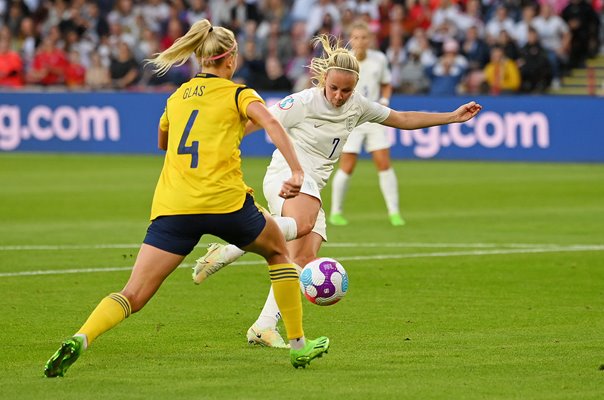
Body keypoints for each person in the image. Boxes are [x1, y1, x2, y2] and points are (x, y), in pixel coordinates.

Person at [43, 19, 329, 378]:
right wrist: (296, 172)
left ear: (200, 59)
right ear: (231, 60)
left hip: (174, 206)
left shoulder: (176, 98)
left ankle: (81, 338)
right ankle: (300, 346)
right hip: (225, 203)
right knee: (278, 253)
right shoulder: (240, 94)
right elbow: (272, 124)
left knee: (133, 294)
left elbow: (163, 142)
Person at [192, 33, 483, 348]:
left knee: (302, 258)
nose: (340, 95)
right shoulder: (302, 102)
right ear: (323, 80)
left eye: (347, 90)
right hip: (286, 176)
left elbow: (402, 118)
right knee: (301, 227)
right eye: (334, 88)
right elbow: (255, 122)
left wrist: (452, 117)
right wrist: (219, 150)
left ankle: (263, 326)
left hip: (312, 185)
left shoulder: (357, 106)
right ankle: (235, 243)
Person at [328, 20, 403, 227]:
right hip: (351, 119)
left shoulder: (379, 59)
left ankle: (394, 212)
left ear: (370, 39)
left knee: (384, 163)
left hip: (374, 117)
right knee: (347, 166)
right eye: (356, 37)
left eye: (364, 37)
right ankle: (336, 211)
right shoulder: (345, 60)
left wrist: (385, 101)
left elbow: (386, 83)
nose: (360, 42)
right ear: (350, 39)